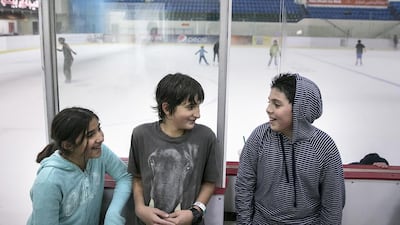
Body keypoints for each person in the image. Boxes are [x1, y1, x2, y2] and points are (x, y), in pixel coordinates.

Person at [235, 73, 345, 224]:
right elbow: (244, 186)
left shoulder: (324, 147)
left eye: (277, 104)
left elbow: (333, 205)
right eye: (269, 102)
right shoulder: (259, 136)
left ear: (299, 108)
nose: (268, 109)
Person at [128, 73, 218, 225]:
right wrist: (139, 208)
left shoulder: (206, 137)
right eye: (190, 107)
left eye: (198, 106)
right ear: (167, 109)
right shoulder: (141, 135)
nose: (198, 114)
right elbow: (137, 177)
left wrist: (195, 212)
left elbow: (209, 182)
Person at [27, 107, 132, 225]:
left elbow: (124, 176)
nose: (101, 138)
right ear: (68, 145)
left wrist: (113, 213)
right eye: (90, 135)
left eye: (99, 129)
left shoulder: (100, 153)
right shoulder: (47, 182)